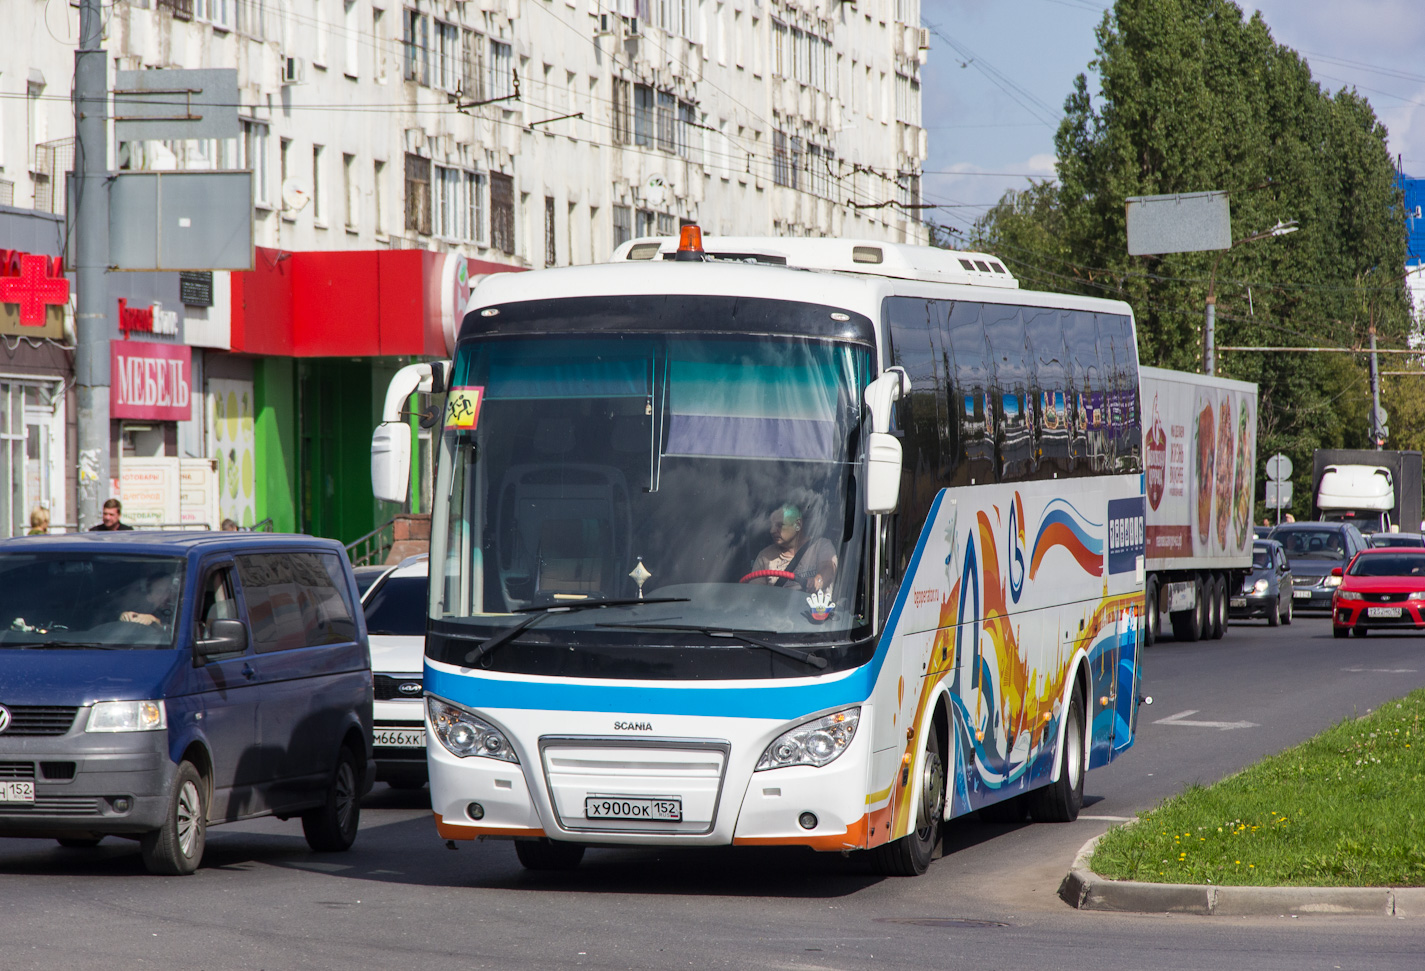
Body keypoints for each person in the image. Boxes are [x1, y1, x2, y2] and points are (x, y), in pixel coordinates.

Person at [750, 504, 837, 593]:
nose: (772, 530)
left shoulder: (821, 546)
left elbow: (828, 569)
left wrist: (818, 581)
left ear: (798, 525)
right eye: (771, 526)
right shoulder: (765, 556)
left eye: (779, 525)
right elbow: (754, 595)